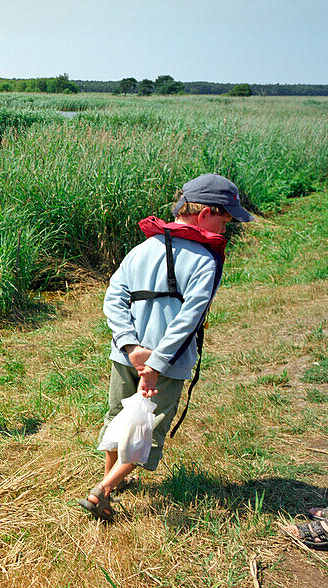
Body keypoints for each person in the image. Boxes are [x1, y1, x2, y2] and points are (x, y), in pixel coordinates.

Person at [79, 173, 253, 521]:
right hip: (168, 364)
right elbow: (189, 319)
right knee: (148, 428)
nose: (227, 226)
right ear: (204, 214)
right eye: (226, 218)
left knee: (118, 420)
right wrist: (155, 364)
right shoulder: (205, 260)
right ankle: (103, 490)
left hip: (125, 356)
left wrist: (131, 346)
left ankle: (109, 481)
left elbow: (114, 299)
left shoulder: (141, 249)